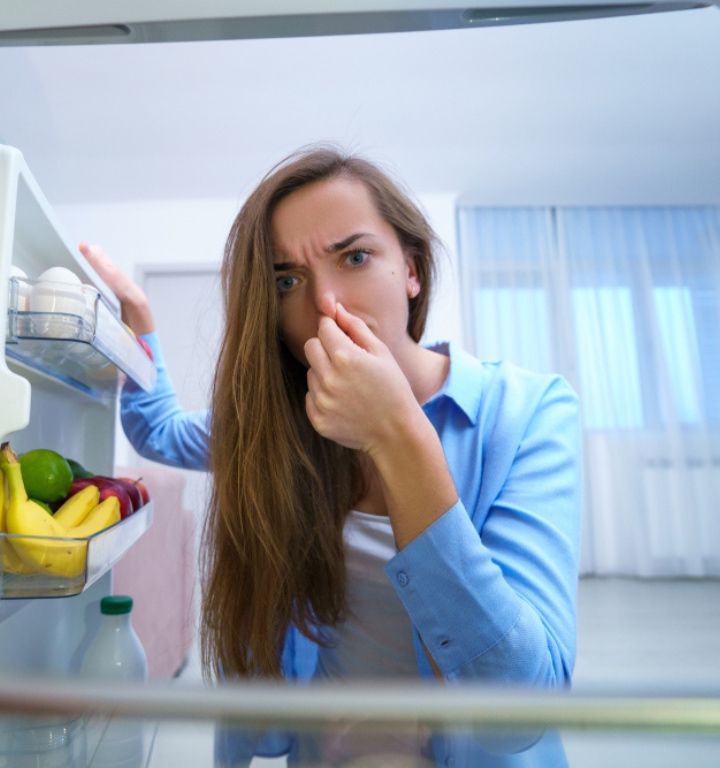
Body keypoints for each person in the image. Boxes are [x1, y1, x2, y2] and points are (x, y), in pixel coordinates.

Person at [81, 145, 582, 767]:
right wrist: (141, 324)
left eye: (356, 256)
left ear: (412, 270)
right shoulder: (280, 428)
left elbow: (522, 706)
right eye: (287, 280)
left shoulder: (527, 413)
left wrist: (396, 432)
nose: (325, 304)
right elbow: (160, 431)